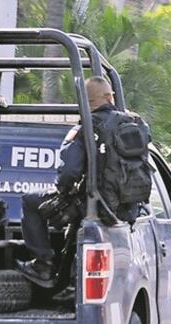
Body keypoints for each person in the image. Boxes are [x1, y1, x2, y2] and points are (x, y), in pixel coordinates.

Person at [17, 77, 152, 288]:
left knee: (30, 201)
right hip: (129, 209)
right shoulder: (137, 125)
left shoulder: (87, 128)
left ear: (86, 102)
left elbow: (69, 171)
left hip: (97, 206)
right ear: (110, 97)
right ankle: (70, 281)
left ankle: (43, 265)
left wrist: (62, 190)